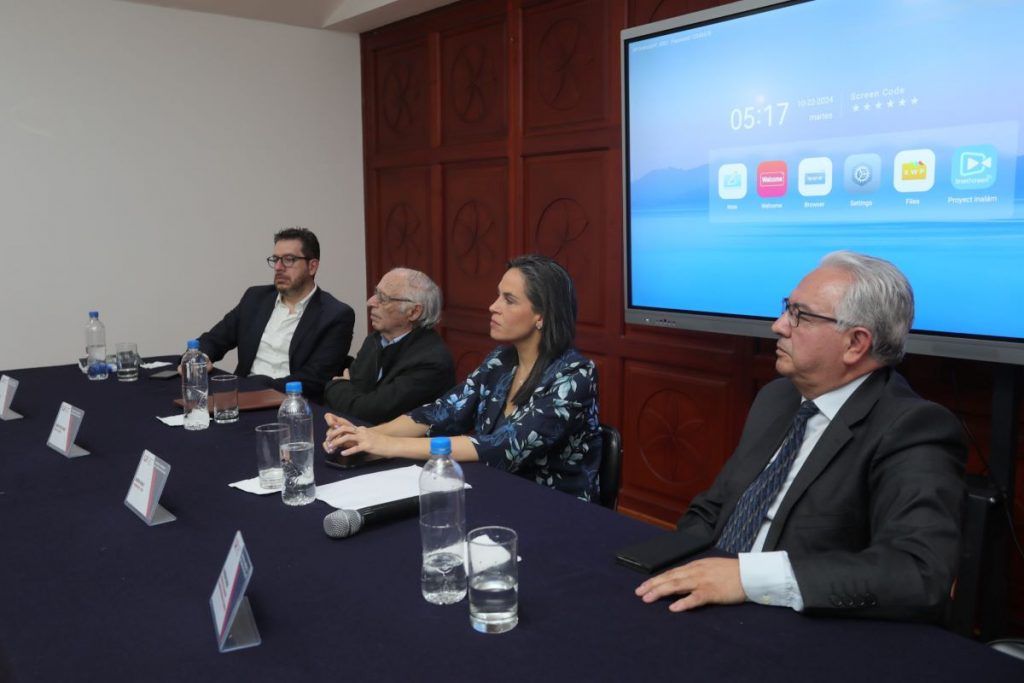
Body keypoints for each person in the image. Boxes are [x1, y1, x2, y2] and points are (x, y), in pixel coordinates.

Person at [636, 251, 966, 622]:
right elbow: (714, 507)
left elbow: (918, 572)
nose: (778, 325)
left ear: (855, 343)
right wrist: (684, 569)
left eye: (800, 316)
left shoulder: (913, 427)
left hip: (795, 620)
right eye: (785, 308)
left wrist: (748, 579)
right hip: (709, 599)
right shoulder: (777, 397)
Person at [323, 255, 602, 501]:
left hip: (554, 511)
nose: (493, 306)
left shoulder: (574, 375)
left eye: (509, 300)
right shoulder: (501, 361)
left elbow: (503, 447)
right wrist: (365, 436)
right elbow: (438, 412)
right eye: (497, 295)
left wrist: (387, 445)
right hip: (494, 493)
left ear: (541, 316)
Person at [195, 227, 354, 399]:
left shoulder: (335, 315)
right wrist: (198, 358)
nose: (278, 267)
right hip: (243, 397)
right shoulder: (255, 298)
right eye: (275, 259)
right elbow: (215, 339)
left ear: (312, 266)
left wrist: (256, 384)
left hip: (292, 404)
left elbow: (314, 379)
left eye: (288, 260)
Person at [323, 268, 455, 424]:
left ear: (414, 312)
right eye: (375, 293)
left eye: (383, 298)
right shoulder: (375, 339)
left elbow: (368, 413)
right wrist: (351, 394)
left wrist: (337, 385)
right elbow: (358, 401)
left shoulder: (431, 362)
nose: (370, 302)